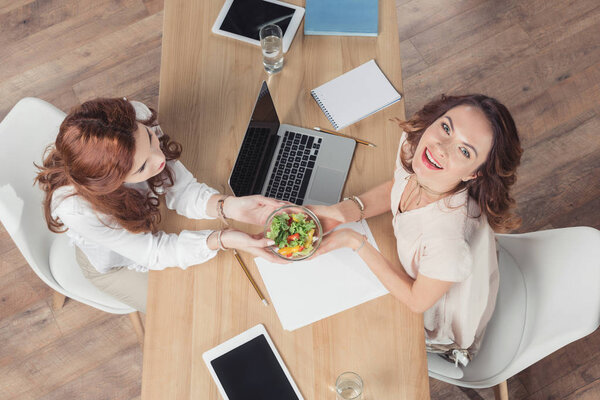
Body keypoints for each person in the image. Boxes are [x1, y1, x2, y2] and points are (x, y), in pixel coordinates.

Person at [309, 94, 522, 365]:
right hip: (426, 269)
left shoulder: (449, 243)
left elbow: (417, 301)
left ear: (474, 174)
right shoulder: (418, 149)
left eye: (465, 151)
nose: (442, 148)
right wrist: (345, 211)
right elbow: (398, 185)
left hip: (437, 323)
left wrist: (355, 241)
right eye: (446, 127)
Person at [35, 97, 285, 313]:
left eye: (151, 139)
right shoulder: (79, 210)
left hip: (148, 221)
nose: (160, 157)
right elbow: (153, 252)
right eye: (142, 166)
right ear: (111, 184)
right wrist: (221, 238)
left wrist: (229, 206)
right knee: (184, 310)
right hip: (116, 262)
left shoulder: (136, 115)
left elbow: (180, 188)